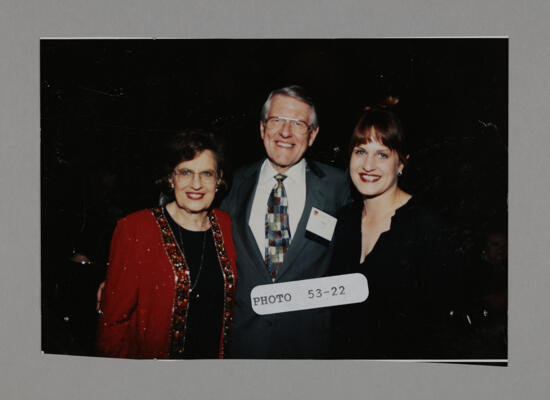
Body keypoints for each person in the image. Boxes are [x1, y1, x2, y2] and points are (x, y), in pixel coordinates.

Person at [221, 85, 351, 358]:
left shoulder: (340, 187)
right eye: (277, 120)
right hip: (243, 346)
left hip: (310, 349)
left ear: (313, 134)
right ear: (262, 128)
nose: (285, 132)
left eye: (298, 123)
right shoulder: (230, 186)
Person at [329, 98, 460, 359]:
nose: (368, 165)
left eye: (382, 154)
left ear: (401, 163)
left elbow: (440, 332)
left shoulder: (427, 229)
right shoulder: (342, 222)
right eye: (360, 151)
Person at [96, 129, 237, 359]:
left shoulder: (226, 225)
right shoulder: (135, 229)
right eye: (185, 172)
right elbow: (112, 323)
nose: (196, 184)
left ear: (219, 179)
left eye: (207, 174)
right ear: (171, 178)